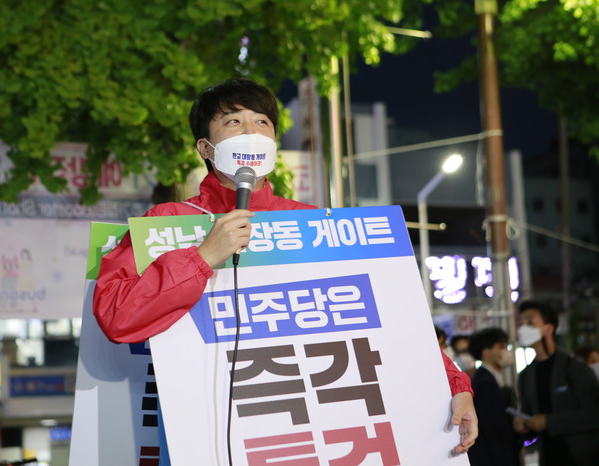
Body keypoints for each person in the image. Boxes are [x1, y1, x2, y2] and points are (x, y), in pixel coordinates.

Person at [93, 77, 477, 456]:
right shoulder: (168, 221)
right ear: (205, 147)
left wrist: (455, 385)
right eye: (233, 121)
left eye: (262, 122)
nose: (251, 132)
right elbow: (116, 315)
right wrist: (202, 257)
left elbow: (391, 317)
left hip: (309, 430)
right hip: (208, 433)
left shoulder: (313, 223)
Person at [513, 300, 599, 466]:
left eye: (530, 322)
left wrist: (549, 422)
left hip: (581, 456)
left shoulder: (574, 368)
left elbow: (594, 414)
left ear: (549, 328)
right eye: (521, 323)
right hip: (548, 456)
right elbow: (528, 413)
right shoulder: (526, 375)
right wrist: (523, 423)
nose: (523, 328)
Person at [467, 327, 520, 466]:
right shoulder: (484, 382)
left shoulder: (488, 378)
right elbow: (494, 428)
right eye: (501, 347)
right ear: (486, 352)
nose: (506, 352)